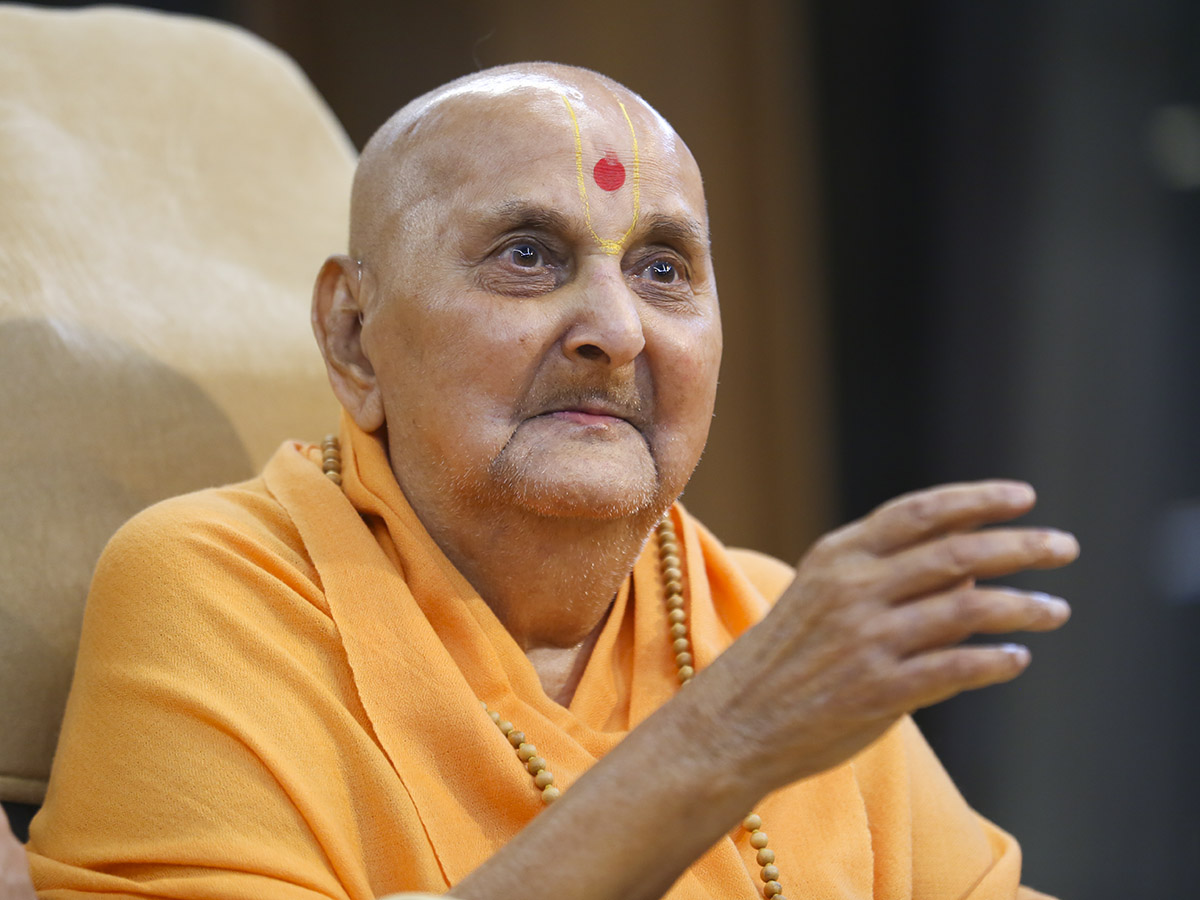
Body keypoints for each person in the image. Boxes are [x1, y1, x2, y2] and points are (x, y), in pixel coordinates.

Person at [24, 63, 1077, 900]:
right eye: (528, 255)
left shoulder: (770, 625)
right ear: (352, 335)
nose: (617, 331)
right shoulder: (222, 590)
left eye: (663, 269)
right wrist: (725, 740)